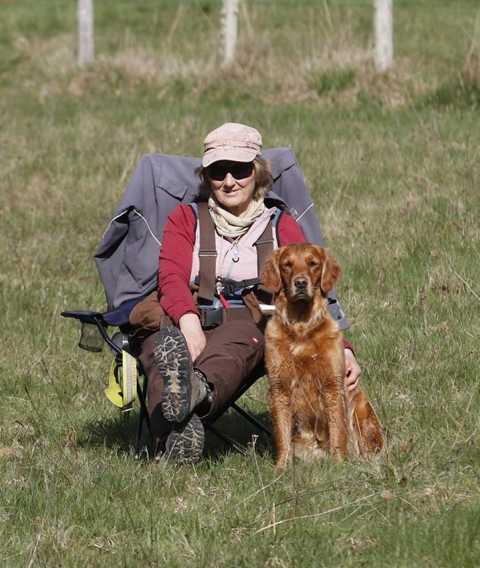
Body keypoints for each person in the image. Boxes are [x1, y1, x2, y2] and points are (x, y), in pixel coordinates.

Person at [134, 122, 361, 463]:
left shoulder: (279, 223)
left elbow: (311, 292)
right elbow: (171, 277)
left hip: (249, 317)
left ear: (257, 173)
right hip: (184, 312)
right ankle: (181, 427)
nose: (229, 182)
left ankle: (194, 397)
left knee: (242, 341)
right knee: (159, 347)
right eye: (218, 172)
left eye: (239, 170)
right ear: (206, 176)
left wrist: (341, 347)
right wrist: (189, 322)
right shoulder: (186, 217)